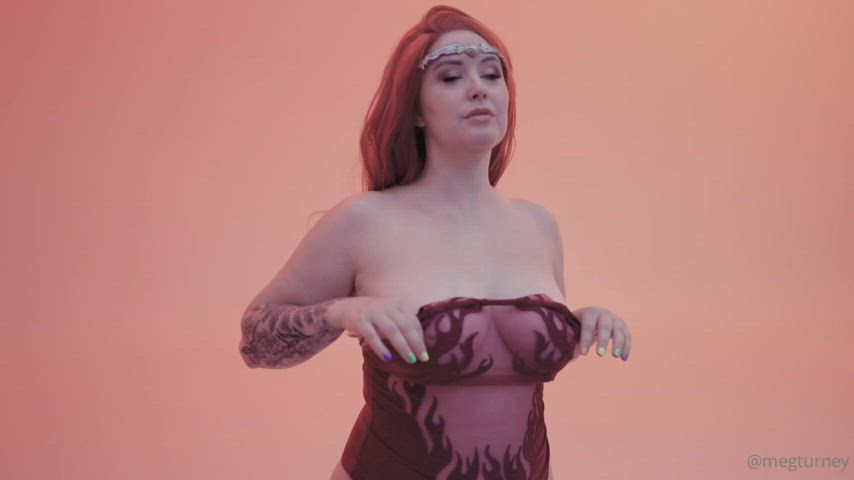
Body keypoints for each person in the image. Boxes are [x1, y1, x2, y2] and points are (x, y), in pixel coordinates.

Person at [238, 5, 633, 480]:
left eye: (492, 75)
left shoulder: (538, 225)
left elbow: (508, 365)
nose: (478, 88)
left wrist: (580, 325)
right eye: (450, 77)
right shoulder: (364, 221)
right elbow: (255, 344)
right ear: (415, 110)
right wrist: (341, 312)